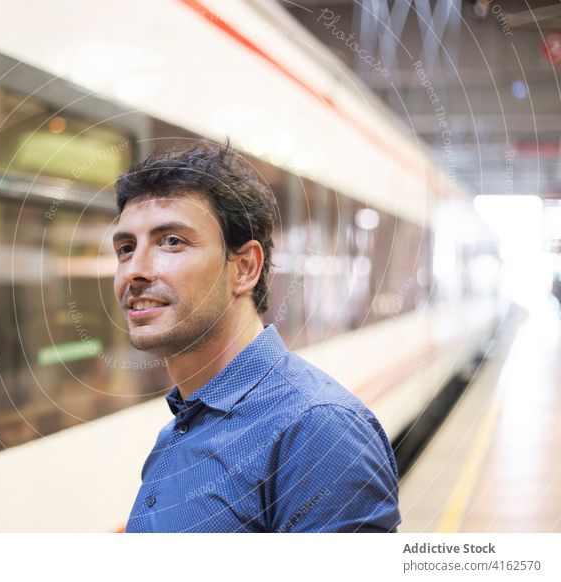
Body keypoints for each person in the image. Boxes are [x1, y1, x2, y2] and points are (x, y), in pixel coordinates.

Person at [112, 142, 401, 532]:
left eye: (171, 241)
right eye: (126, 248)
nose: (134, 270)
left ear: (245, 268)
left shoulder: (318, 431)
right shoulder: (183, 424)